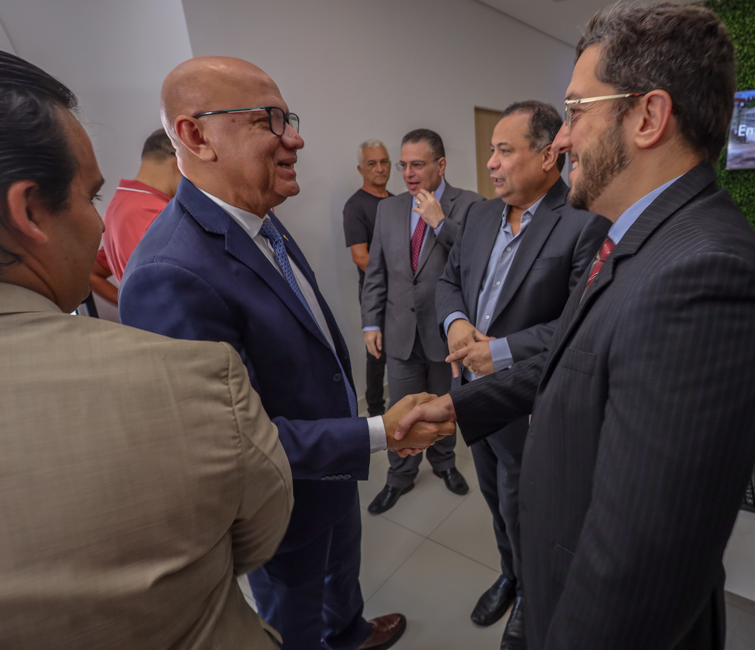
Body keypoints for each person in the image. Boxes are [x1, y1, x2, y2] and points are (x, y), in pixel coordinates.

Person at [396, 2, 755, 649]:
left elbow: (638, 568)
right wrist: (459, 408)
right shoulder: (640, 234)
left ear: (648, 117)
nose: (562, 140)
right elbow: (575, 357)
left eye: (577, 112)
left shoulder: (708, 275)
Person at [119, 56, 452, 650]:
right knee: (295, 620)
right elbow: (235, 444)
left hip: (331, 467)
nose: (293, 139)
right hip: (283, 502)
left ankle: (349, 632)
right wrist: (380, 431)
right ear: (196, 135)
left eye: (288, 119)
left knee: (341, 576)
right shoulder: (169, 271)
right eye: (266, 121)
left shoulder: (261, 219)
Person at [0, 43, 293, 648]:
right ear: (30, 213)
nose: (100, 224)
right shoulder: (190, 374)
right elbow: (251, 538)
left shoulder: (264, 223)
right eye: (89, 197)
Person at [436, 101, 609, 650]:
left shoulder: (584, 223)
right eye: (492, 150)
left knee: (529, 505)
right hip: (471, 389)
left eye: (505, 151)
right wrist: (456, 323)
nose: (491, 163)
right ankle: (510, 573)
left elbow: (583, 321)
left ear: (548, 156)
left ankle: (533, 594)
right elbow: (448, 282)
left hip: (529, 397)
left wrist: (502, 351)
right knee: (494, 494)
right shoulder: (479, 216)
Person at [360, 129, 483, 514]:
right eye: (404, 165)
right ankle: (400, 476)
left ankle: (445, 464)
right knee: (401, 410)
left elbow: (477, 260)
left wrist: (440, 223)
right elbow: (376, 272)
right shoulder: (389, 209)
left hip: (445, 334)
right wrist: (371, 323)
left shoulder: (470, 204)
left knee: (445, 407)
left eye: (417, 164)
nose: (408, 173)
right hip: (399, 332)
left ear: (440, 165)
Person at [88, 128, 182, 305]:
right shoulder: (157, 214)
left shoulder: (120, 203)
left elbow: (93, 272)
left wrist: (131, 309)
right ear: (179, 162)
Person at [344, 139, 393, 417]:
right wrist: (396, 279)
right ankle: (375, 413)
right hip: (377, 292)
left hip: (404, 290)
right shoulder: (355, 206)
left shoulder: (398, 201)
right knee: (377, 353)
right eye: (372, 163)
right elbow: (360, 256)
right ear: (361, 169)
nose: (379, 168)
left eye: (384, 162)